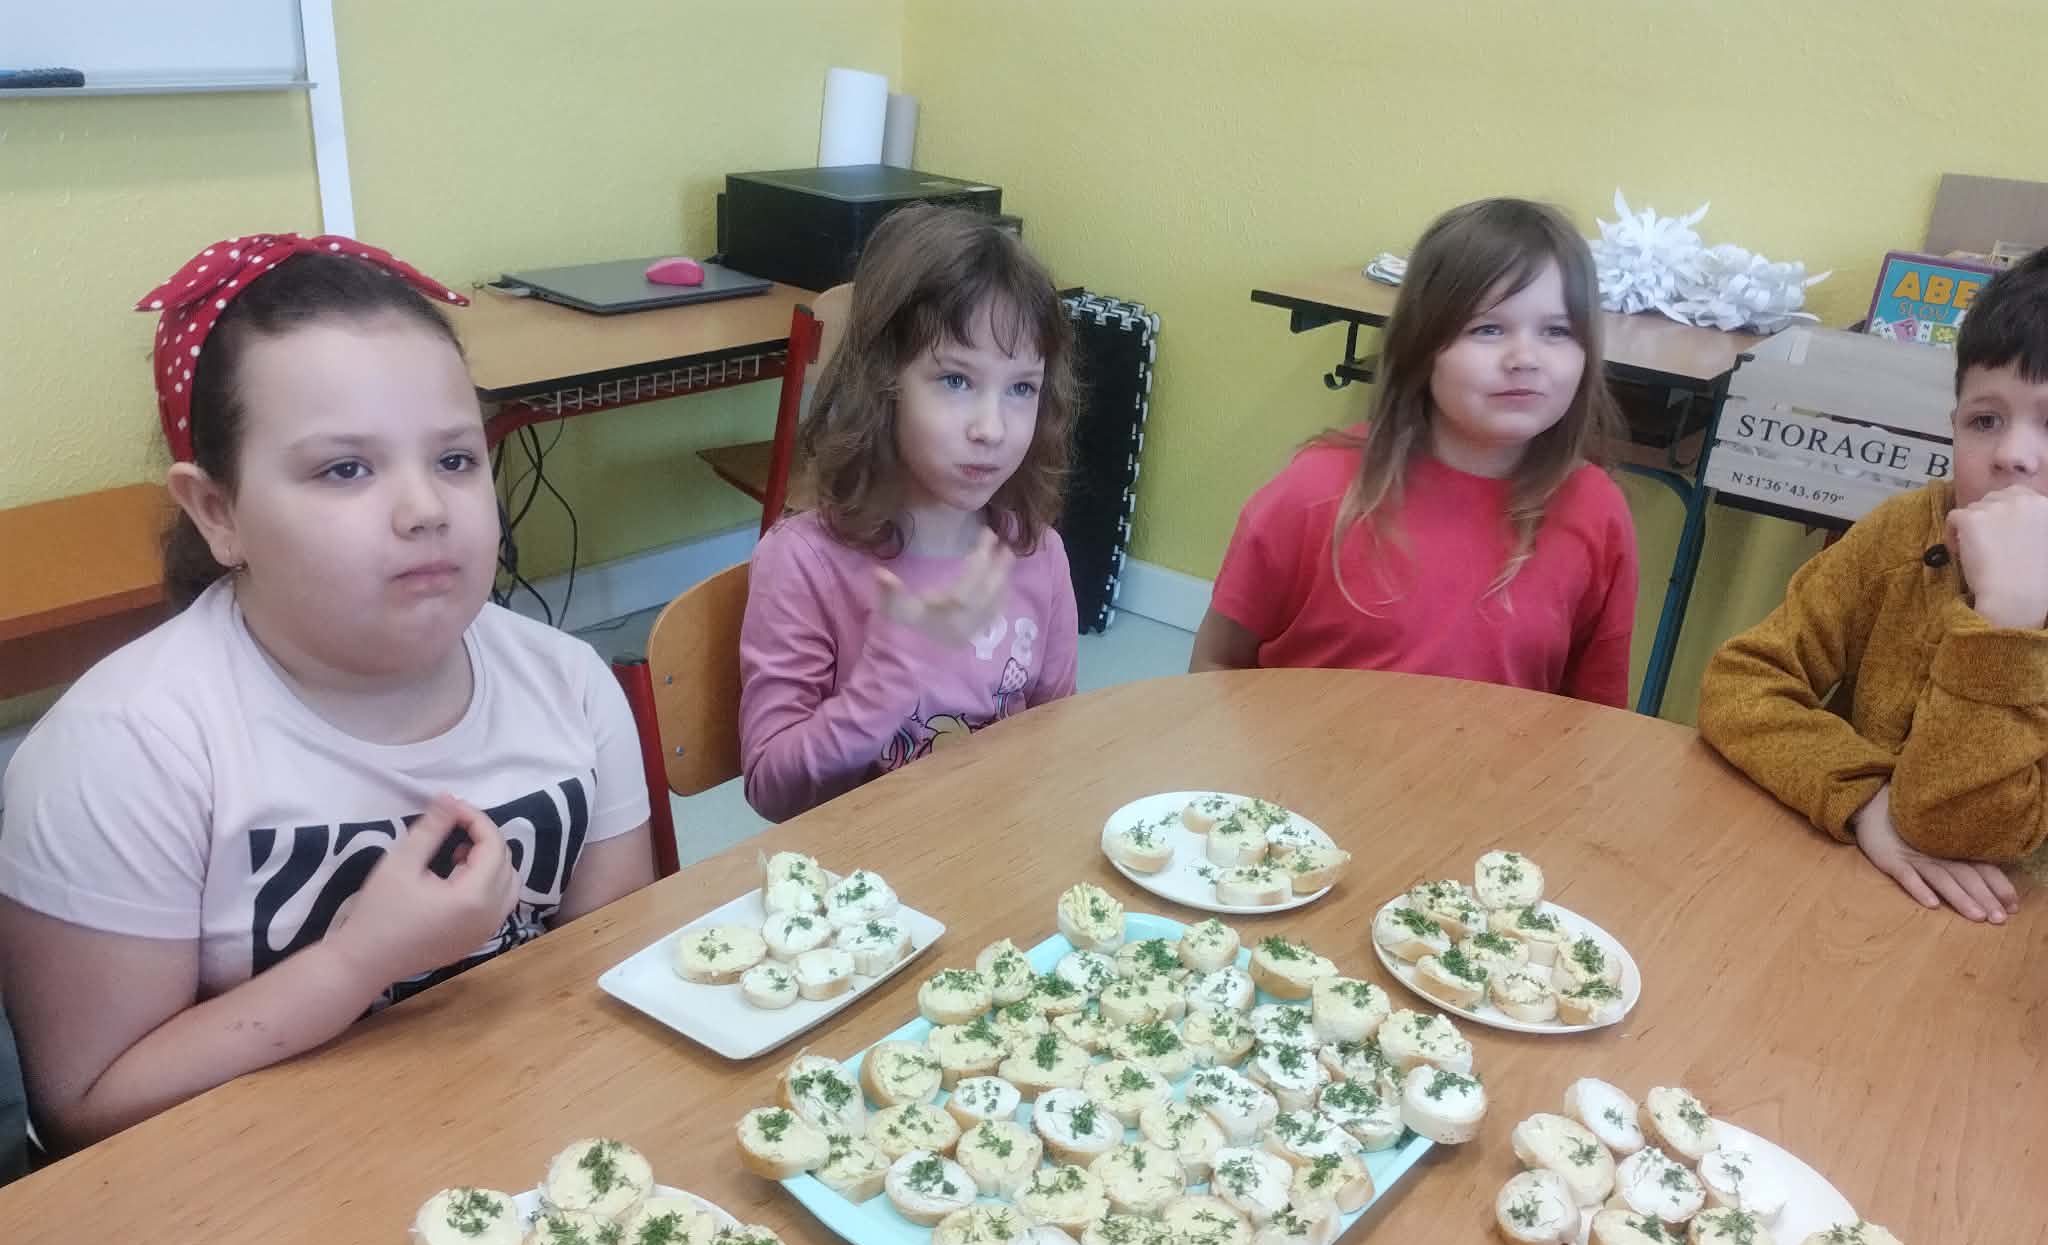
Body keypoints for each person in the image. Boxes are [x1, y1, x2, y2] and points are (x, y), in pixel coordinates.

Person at [0, 235, 654, 1147]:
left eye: (456, 460)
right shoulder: (123, 753)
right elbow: (86, 1109)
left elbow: (615, 971)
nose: (425, 508)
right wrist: (358, 960)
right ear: (218, 513)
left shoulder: (571, 683)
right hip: (259, 1183)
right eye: (345, 468)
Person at [1696, 247, 2048, 924]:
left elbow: (1962, 832)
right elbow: (1740, 681)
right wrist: (1863, 800)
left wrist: (2005, 622)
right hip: (1849, 900)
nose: (2011, 454)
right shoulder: (1906, 531)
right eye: (1985, 421)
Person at [1190, 197, 1638, 709]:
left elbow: (1592, 719)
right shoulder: (1314, 491)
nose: (1525, 358)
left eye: (1557, 331)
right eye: (1488, 329)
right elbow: (1216, 664)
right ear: (1422, 348)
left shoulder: (1598, 514)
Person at [738, 205, 1080, 822]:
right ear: (882, 384)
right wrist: (891, 675)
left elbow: (1054, 737)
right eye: (955, 381)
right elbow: (772, 788)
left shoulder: (1038, 553)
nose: (991, 428)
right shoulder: (802, 563)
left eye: (1021, 388)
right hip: (861, 870)